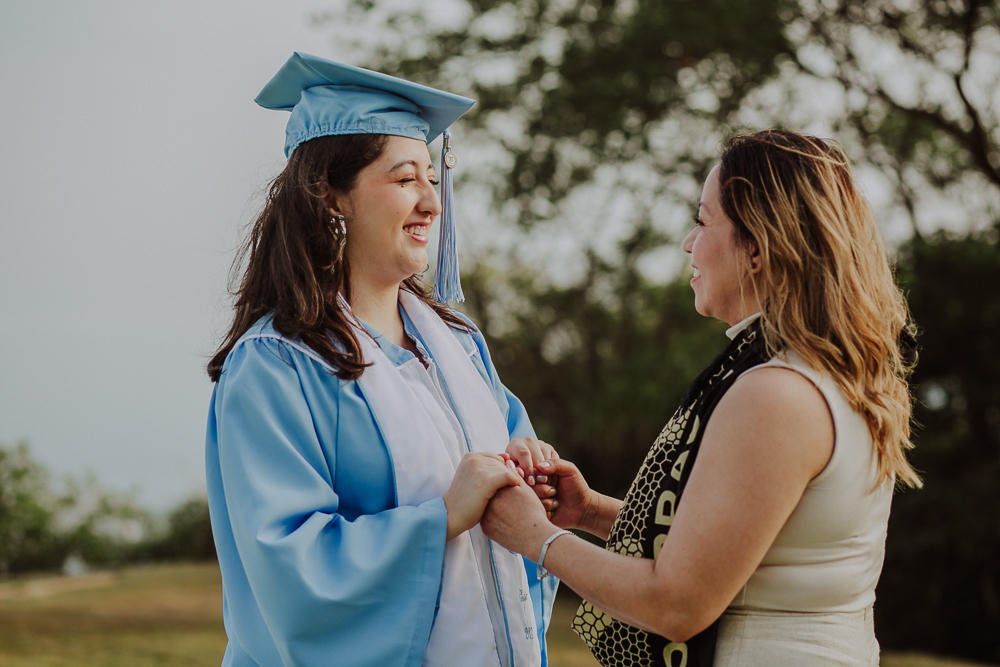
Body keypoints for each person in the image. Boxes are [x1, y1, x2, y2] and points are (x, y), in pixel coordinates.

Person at [481, 129, 921, 666]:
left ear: (756, 249)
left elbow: (677, 602)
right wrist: (592, 513)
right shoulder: (832, 374)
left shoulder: (776, 393)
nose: (689, 244)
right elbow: (740, 554)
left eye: (702, 221)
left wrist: (534, 537)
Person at [205, 52, 559, 667]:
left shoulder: (458, 344)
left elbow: (510, 477)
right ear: (330, 197)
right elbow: (294, 575)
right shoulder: (277, 366)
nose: (431, 202)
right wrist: (443, 517)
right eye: (403, 180)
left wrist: (530, 469)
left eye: (431, 177)